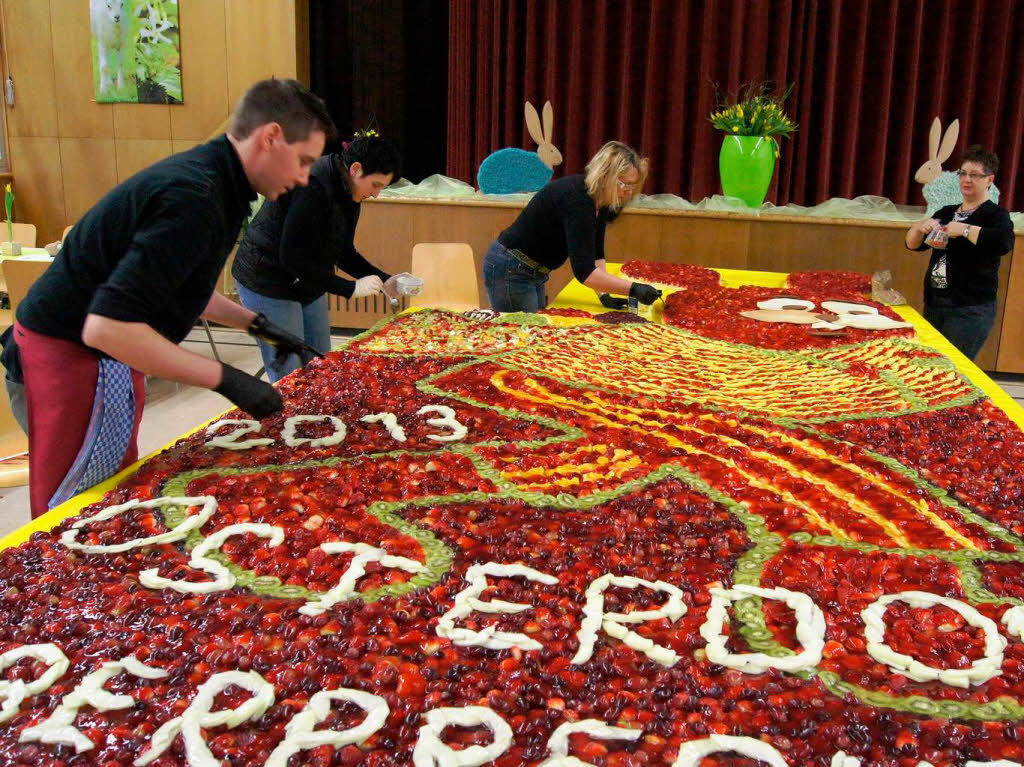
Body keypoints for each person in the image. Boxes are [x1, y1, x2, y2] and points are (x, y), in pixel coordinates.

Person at [13, 77, 335, 518]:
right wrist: (225, 378)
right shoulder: (194, 196)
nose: (303, 178)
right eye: (302, 161)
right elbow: (106, 327)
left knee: (113, 486)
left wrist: (257, 325)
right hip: (71, 349)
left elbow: (181, 286)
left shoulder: (221, 185)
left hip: (107, 349)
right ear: (271, 137)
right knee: (73, 504)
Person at [232, 133, 410, 382]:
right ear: (356, 169)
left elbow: (344, 252)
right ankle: (289, 419)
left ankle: (317, 420)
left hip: (305, 278)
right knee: (290, 374)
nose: (377, 194)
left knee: (320, 363)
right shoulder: (311, 185)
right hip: (266, 278)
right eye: (376, 185)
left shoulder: (351, 189)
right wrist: (349, 288)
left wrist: (386, 280)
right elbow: (291, 257)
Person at [483, 140, 662, 312]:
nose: (628, 191)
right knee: (523, 333)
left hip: (530, 270)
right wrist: (633, 289)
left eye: (633, 185)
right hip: (511, 267)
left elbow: (596, 252)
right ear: (604, 175)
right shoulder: (578, 200)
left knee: (534, 329)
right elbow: (584, 272)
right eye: (623, 183)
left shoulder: (602, 199)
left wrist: (604, 294)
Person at [905, 144, 1014, 360]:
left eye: (975, 175)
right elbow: (913, 245)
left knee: (954, 367)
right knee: (931, 364)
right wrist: (919, 227)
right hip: (936, 303)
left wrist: (965, 229)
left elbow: (1003, 243)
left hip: (970, 309)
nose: (967, 180)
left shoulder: (995, 214)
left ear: (989, 180)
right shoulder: (946, 212)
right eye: (963, 174)